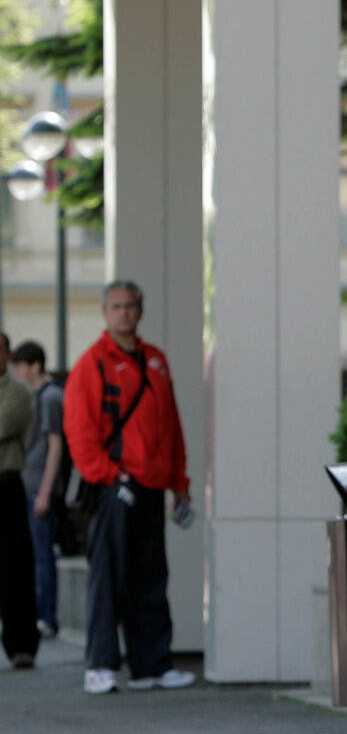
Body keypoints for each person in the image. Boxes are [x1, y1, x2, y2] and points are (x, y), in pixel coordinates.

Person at [63, 281, 196, 695]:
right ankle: (99, 666)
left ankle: (151, 666)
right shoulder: (93, 363)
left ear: (141, 310)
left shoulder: (156, 360)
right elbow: (79, 431)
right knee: (108, 577)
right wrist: (108, 474)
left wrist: (180, 484)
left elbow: (171, 427)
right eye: (116, 306)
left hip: (153, 486)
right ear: (105, 312)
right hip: (115, 487)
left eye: (130, 305)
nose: (124, 312)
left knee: (150, 577)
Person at [10, 340, 64, 639]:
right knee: (31, 553)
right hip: (28, 482)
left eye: (20, 366)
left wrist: (45, 491)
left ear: (36, 366)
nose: (16, 372)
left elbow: (55, 446)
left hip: (40, 485)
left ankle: (47, 616)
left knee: (42, 553)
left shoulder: (50, 397)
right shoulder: (33, 395)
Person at [0, 331, 40, 670]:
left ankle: (21, 645)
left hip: (6, 486)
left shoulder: (18, 392)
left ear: (8, 354)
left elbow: (3, 425)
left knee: (15, 567)